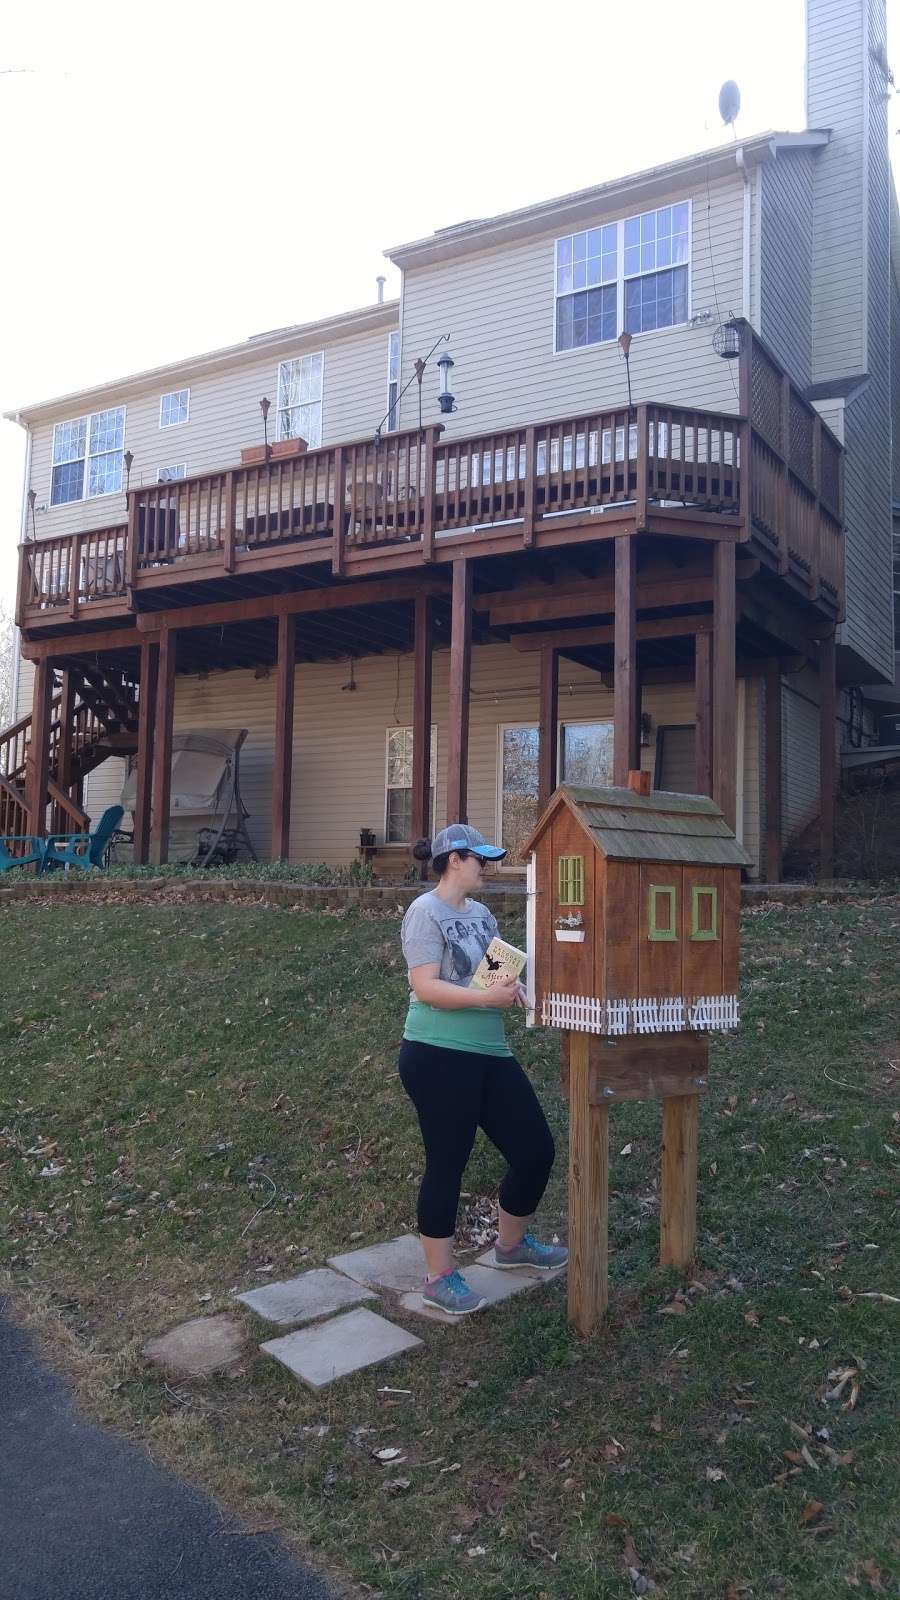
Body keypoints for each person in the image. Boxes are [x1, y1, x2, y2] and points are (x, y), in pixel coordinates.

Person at [399, 825, 568, 1316]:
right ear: (454, 859)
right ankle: (439, 1277)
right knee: (447, 1164)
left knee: (536, 1149)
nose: (487, 868)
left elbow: (493, 975)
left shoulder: (481, 914)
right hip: (436, 1054)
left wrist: (511, 989)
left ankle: (511, 1247)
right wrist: (484, 996)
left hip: (489, 1051)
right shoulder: (423, 913)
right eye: (480, 860)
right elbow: (427, 987)